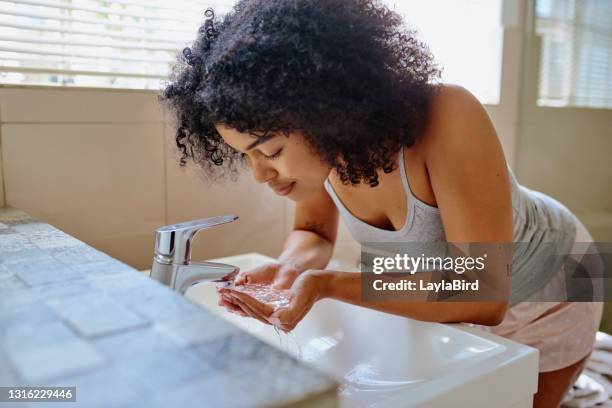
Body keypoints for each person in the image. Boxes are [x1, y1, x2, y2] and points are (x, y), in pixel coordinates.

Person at [159, 1, 603, 406]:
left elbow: (481, 292)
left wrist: (328, 284)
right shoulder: (322, 157)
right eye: (246, 156)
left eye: (270, 152)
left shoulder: (448, 114)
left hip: (556, 285)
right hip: (459, 296)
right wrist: (290, 269)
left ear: (324, 113)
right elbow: (312, 233)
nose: (260, 174)